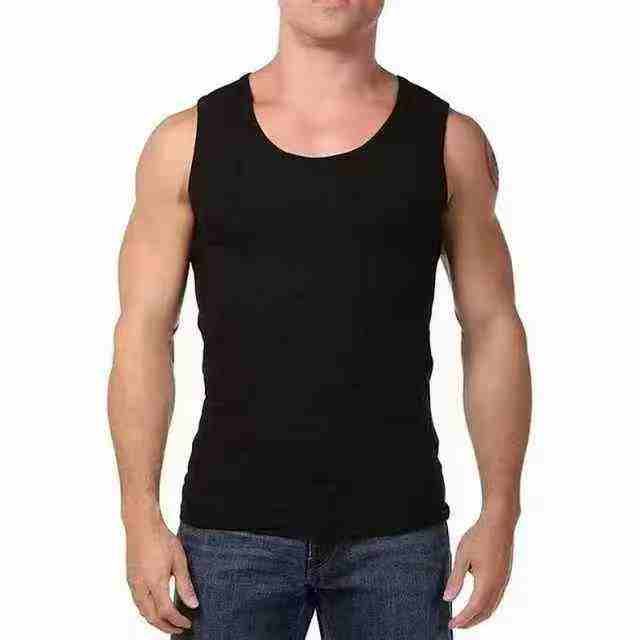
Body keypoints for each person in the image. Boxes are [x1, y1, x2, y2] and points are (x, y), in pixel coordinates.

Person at [108, 1, 531, 637]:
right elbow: (142, 334)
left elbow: (493, 328)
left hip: (399, 535)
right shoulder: (185, 143)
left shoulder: (449, 143)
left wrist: (501, 512)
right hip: (228, 535)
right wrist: (139, 516)